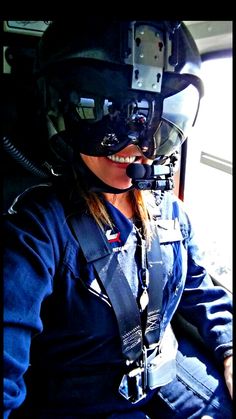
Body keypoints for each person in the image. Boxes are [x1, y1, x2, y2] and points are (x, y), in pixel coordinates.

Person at [3, 19, 233, 419]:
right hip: (85, 401)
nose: (132, 145)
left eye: (151, 126)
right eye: (106, 117)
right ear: (63, 112)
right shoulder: (36, 230)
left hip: (171, 374)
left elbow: (198, 287)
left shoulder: (168, 208)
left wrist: (230, 347)